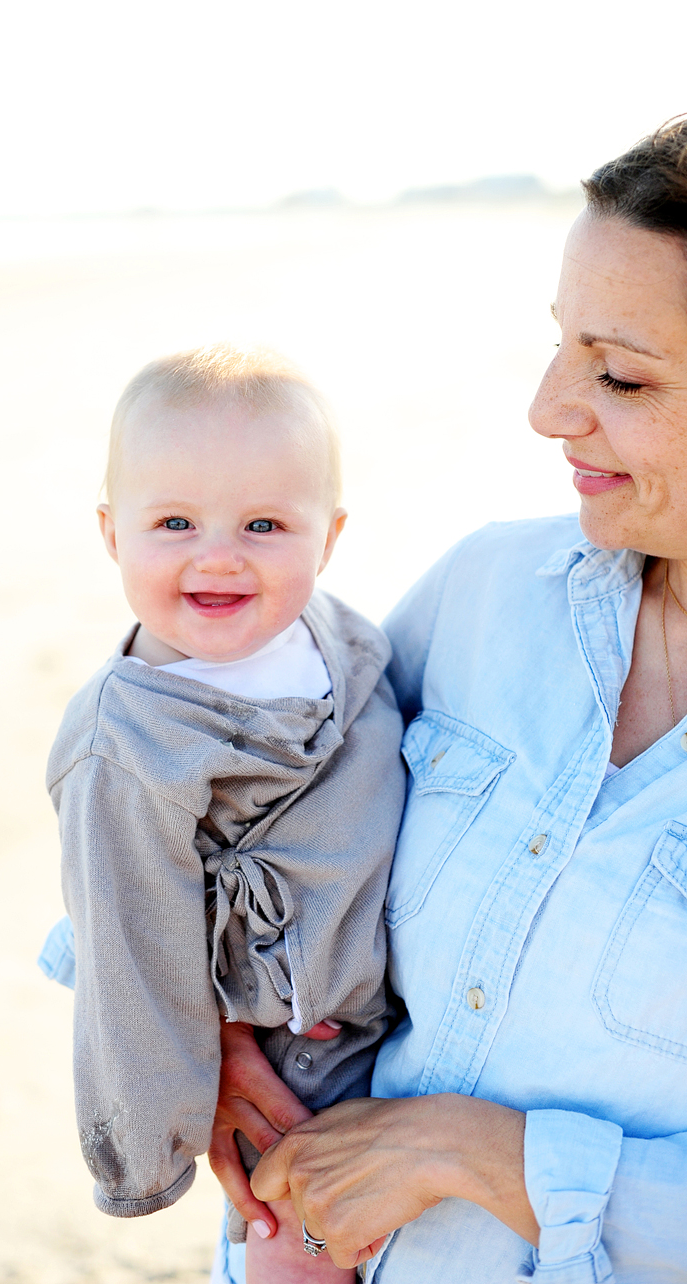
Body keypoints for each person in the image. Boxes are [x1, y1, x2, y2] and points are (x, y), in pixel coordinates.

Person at [210, 117, 687, 1283]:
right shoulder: (489, 590)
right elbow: (234, 783)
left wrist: (497, 1159)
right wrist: (201, 1016)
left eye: (619, 373)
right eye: (562, 348)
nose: (550, 407)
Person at [42, 343, 405, 1283]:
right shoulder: (130, 738)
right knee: (301, 1247)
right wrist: (150, 1142)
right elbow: (132, 948)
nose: (218, 555)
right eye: (174, 521)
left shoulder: (335, 635)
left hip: (400, 1020)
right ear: (111, 533)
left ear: (327, 538)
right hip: (293, 1061)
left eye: (262, 524)